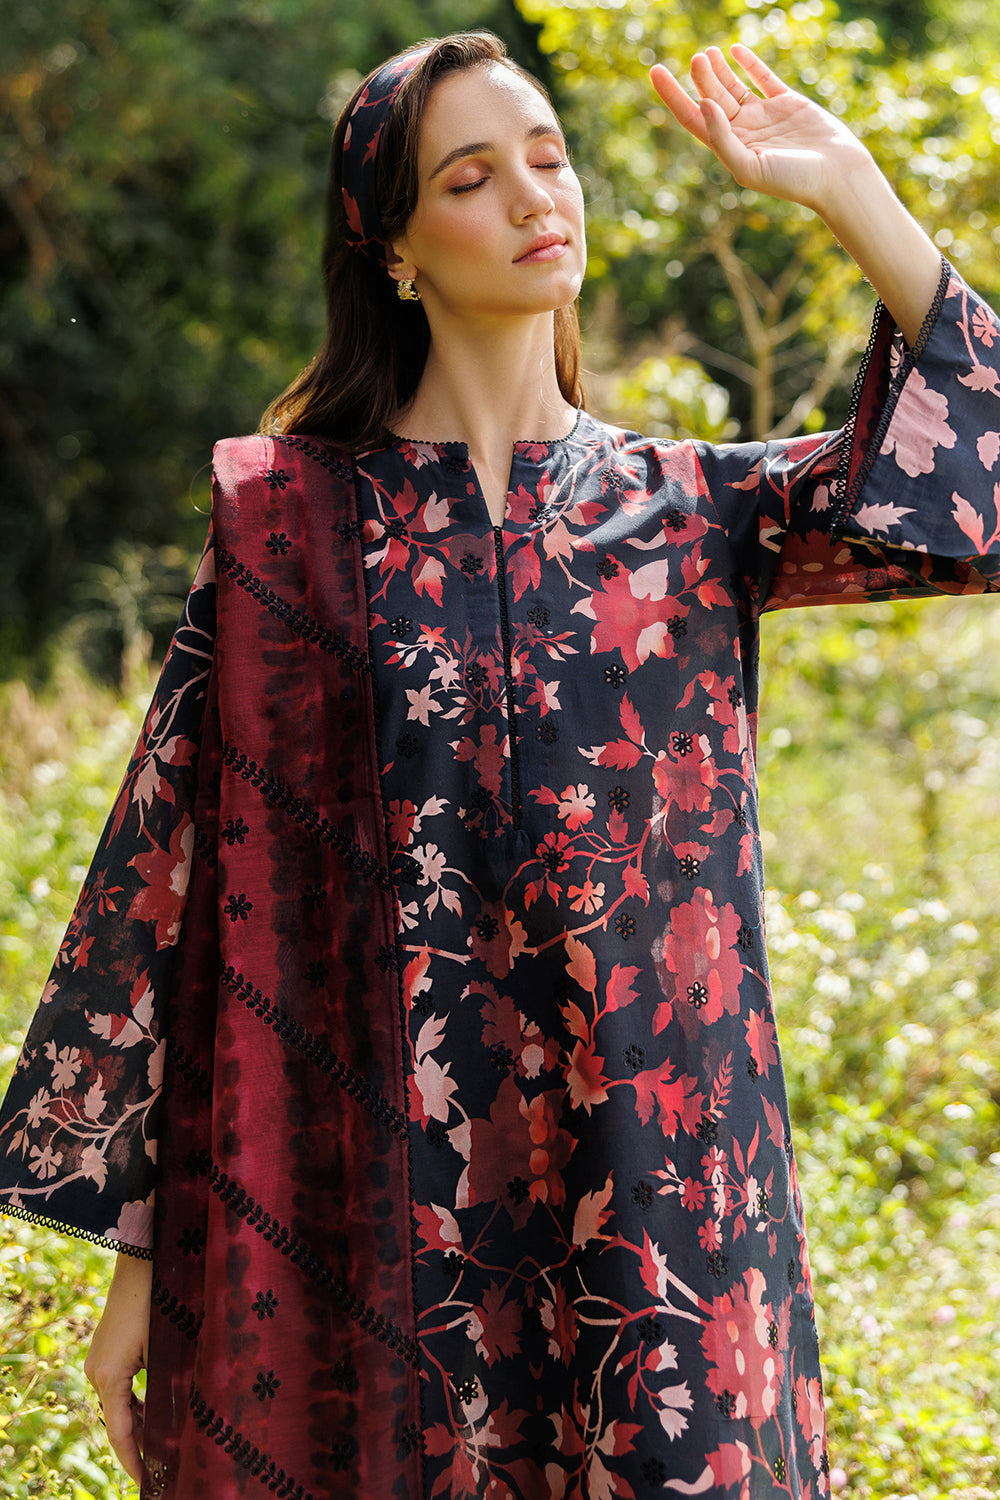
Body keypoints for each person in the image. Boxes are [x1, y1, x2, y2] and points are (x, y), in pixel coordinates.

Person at [1, 27, 998, 1500]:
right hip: (373, 1210)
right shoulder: (288, 523)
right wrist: (146, 1257)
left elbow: (980, 499)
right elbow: (184, 888)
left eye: (549, 157)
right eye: (471, 178)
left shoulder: (696, 513)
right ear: (393, 247)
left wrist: (853, 190)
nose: (536, 195)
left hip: (668, 1215)